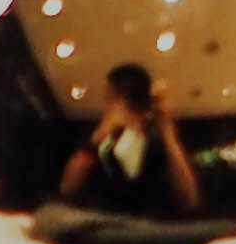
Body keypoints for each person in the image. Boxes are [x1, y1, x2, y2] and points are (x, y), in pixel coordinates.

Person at [55, 60, 208, 219]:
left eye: (109, 97)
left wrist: (168, 132)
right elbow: (68, 187)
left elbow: (190, 200)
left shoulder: (160, 142)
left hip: (150, 232)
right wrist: (99, 136)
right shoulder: (98, 141)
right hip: (102, 227)